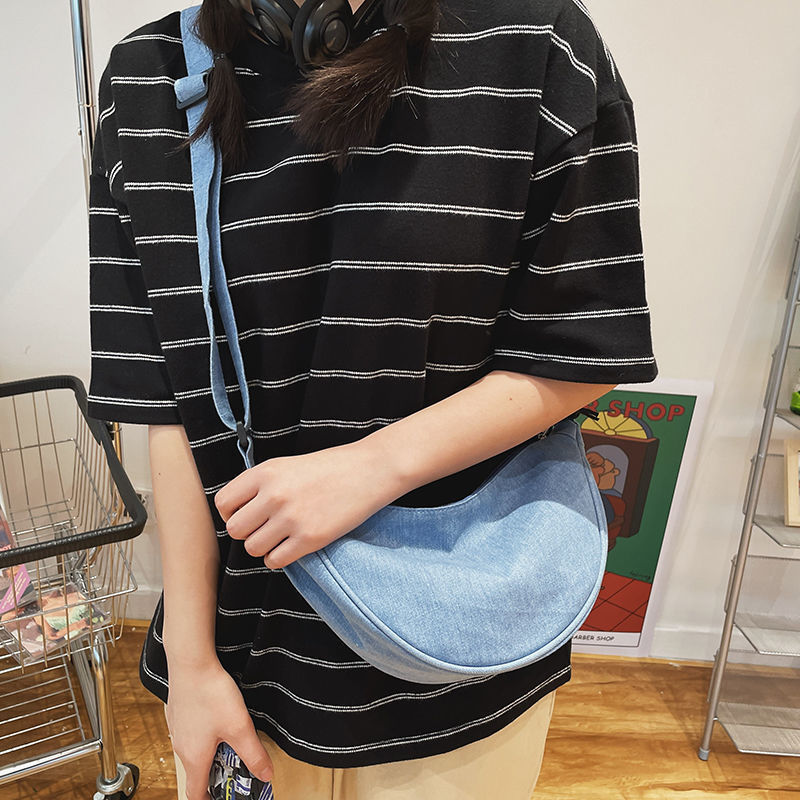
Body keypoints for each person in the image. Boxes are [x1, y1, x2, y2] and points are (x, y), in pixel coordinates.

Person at [86, 0, 658, 798]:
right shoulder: (147, 76)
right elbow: (165, 401)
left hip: (461, 655)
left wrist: (369, 468)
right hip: (245, 666)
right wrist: (191, 664)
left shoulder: (537, 43)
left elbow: (584, 352)